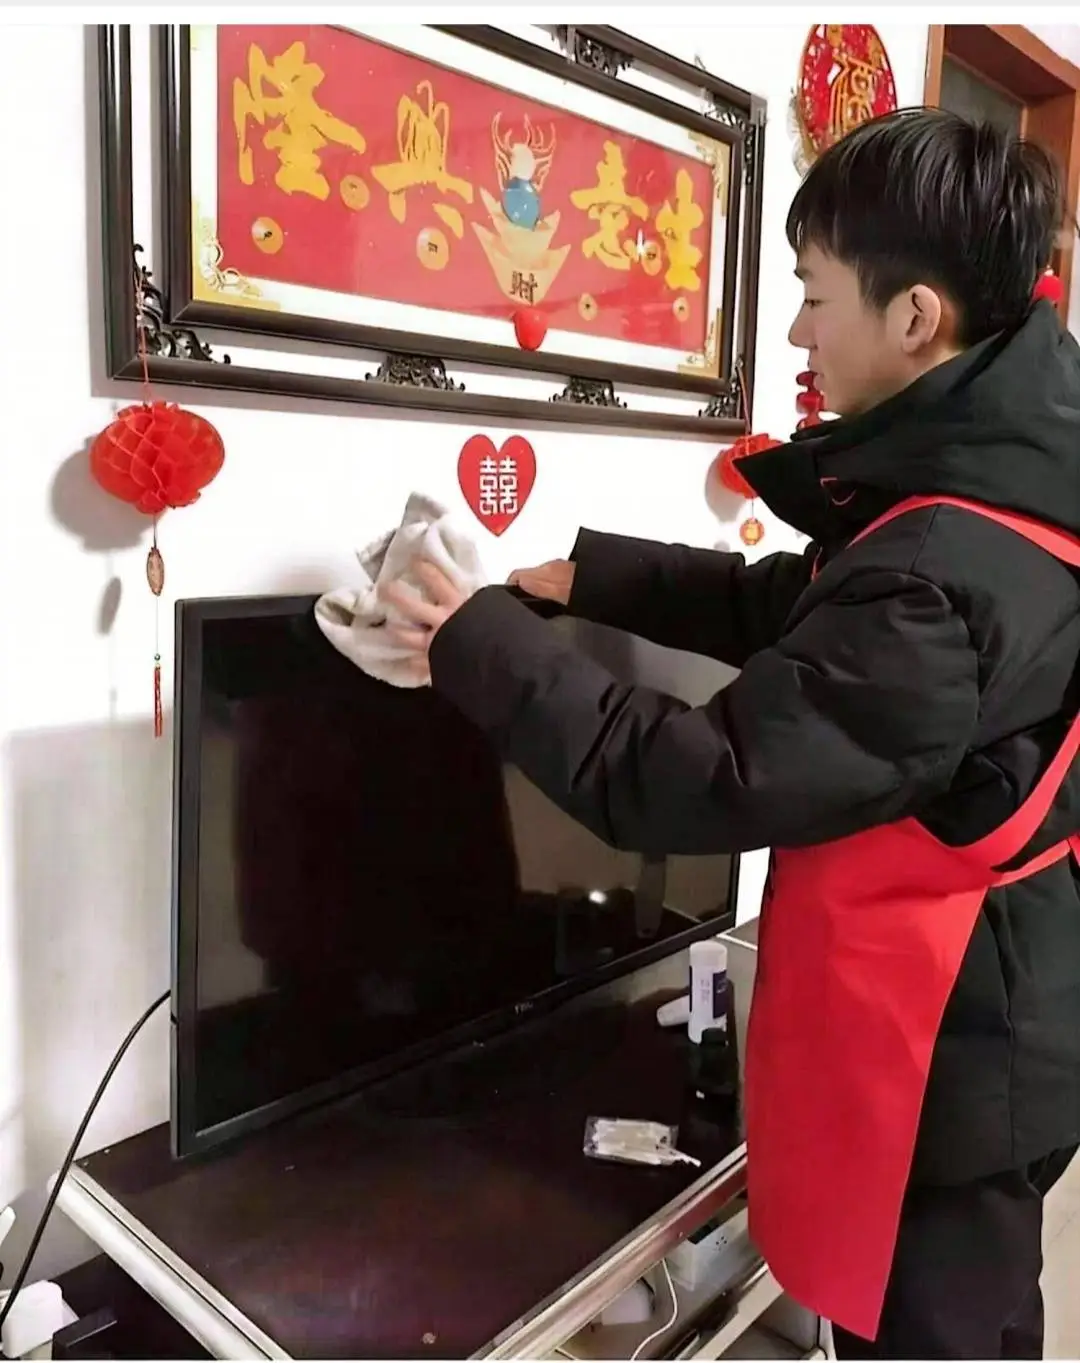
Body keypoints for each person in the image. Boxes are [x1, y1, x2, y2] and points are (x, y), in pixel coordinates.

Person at [383, 108, 1080, 1359]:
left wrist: (472, 639)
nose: (799, 334)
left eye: (813, 297)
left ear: (915, 317)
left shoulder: (941, 569)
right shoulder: (1005, 483)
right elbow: (813, 608)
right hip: (1017, 1004)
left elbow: (696, 777)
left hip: (959, 1050)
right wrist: (600, 578)